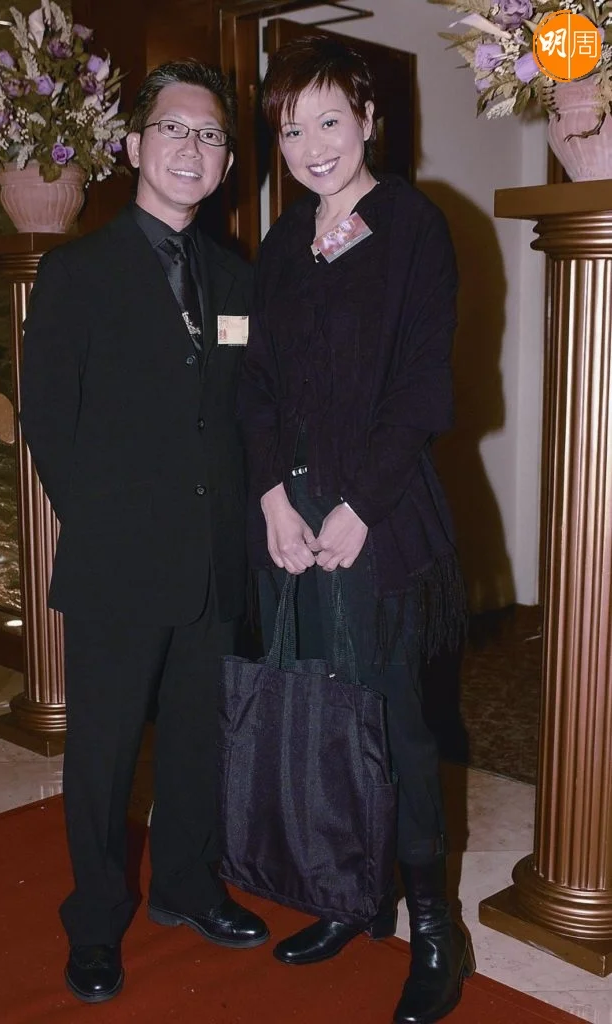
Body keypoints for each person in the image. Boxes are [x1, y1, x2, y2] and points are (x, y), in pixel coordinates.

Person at [20, 59, 268, 1004]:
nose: (190, 147)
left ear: (226, 161)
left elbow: (240, 416)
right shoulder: (77, 272)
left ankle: (187, 886)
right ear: (132, 146)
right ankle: (93, 920)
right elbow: (50, 420)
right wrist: (107, 523)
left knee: (200, 737)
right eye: (173, 128)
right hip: (119, 561)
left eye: (209, 135)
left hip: (213, 560)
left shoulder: (236, 278)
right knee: (105, 753)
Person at [237, 36, 473, 1024]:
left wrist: (356, 508)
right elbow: (251, 379)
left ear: (369, 119)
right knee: (316, 718)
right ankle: (345, 893)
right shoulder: (282, 242)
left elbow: (421, 393)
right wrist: (269, 497)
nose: (310, 145)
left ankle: (434, 930)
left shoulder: (414, 226)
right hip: (289, 522)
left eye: (329, 120)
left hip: (378, 518)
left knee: (394, 727)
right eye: (290, 129)